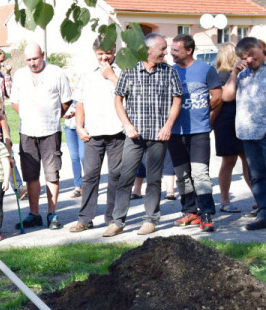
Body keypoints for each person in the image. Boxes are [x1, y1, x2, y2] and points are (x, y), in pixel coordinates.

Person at [104, 33, 182, 237]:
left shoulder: (169, 72)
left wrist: (168, 126)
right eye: (162, 49)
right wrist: (127, 125)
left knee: (154, 179)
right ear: (148, 50)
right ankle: (117, 221)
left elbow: (177, 100)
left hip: (159, 135)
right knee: (125, 178)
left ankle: (150, 220)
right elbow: (118, 100)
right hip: (134, 136)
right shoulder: (130, 71)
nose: (166, 53)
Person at [10, 42, 72, 230]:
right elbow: (14, 102)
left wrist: (53, 117)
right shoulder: (20, 75)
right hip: (27, 132)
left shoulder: (57, 73)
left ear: (43, 55)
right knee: (31, 176)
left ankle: (52, 213)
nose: (32, 63)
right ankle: (34, 213)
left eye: (35, 58)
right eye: (28, 59)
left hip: (50, 131)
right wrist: (28, 116)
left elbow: (66, 101)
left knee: (52, 174)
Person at [168, 34, 222, 232]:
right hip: (175, 132)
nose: (171, 53)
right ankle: (190, 212)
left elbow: (217, 96)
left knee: (200, 174)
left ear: (188, 50)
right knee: (182, 174)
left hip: (199, 130)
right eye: (171, 49)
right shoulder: (170, 72)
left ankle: (206, 213)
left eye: (175, 50)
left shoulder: (206, 69)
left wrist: (202, 112)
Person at [70, 38, 124, 233]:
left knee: (115, 175)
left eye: (108, 53)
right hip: (93, 133)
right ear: (95, 54)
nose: (104, 57)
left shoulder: (121, 71)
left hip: (117, 131)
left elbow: (128, 93)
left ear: (114, 51)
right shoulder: (87, 73)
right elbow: (80, 102)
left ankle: (112, 217)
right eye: (100, 54)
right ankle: (85, 219)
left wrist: (111, 76)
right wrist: (79, 126)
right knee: (90, 175)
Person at [222, 37, 266, 230]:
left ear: (261, 48)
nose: (248, 60)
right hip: (247, 132)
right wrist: (234, 72)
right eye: (243, 57)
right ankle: (263, 213)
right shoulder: (242, 75)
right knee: (256, 176)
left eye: (251, 55)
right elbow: (226, 96)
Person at [212, 42, 253, 214]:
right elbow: (223, 99)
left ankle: (258, 198)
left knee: (247, 161)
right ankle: (224, 200)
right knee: (229, 162)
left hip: (239, 123)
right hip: (227, 124)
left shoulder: (240, 75)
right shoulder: (223, 76)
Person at [0, 96, 26, 199]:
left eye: (0, 109)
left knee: (7, 165)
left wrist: (9, 156)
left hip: (1, 150)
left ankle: (18, 188)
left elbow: (7, 139)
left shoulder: (1, 119)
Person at [64, 101, 83, 198]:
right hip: (69, 127)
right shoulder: (66, 88)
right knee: (74, 157)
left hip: (83, 126)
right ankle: (78, 187)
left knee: (83, 156)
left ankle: (89, 185)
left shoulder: (83, 87)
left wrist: (77, 112)